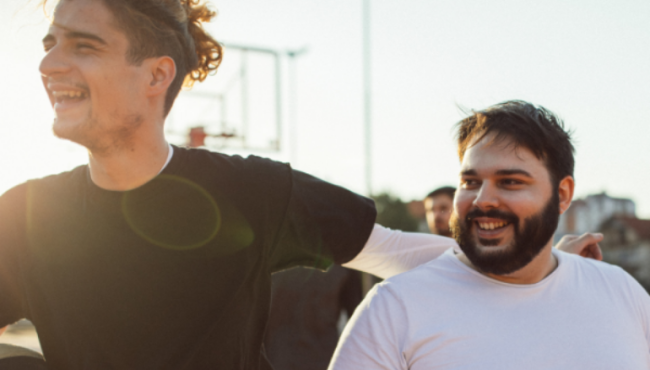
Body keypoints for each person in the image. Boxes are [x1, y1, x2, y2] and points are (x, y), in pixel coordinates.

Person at [0, 1, 601, 368]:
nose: (49, 63)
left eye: (84, 45)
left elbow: (395, 253)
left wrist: (547, 262)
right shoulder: (27, 216)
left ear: (157, 74)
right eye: (51, 42)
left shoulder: (249, 192)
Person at [328, 101, 643, 370]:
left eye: (510, 182)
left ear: (562, 195)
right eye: (471, 182)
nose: (482, 200)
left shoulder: (620, 291)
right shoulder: (393, 310)